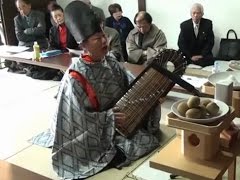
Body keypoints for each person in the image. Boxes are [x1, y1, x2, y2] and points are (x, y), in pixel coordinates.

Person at [49, 1, 161, 179]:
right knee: (129, 148)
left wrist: (149, 92)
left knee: (148, 141)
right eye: (96, 39)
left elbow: (130, 83)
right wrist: (108, 118)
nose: (104, 41)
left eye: (103, 36)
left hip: (116, 119)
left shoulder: (109, 61)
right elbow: (75, 120)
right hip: (90, 130)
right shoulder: (75, 77)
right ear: (83, 44)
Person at [178, 3, 215, 67]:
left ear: (202, 14)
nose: (195, 15)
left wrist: (202, 55)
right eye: (194, 13)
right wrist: (190, 56)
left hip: (203, 55)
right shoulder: (184, 25)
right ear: (190, 14)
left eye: (198, 13)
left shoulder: (208, 24)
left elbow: (210, 42)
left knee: (209, 61)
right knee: (180, 61)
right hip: (189, 55)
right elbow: (181, 43)